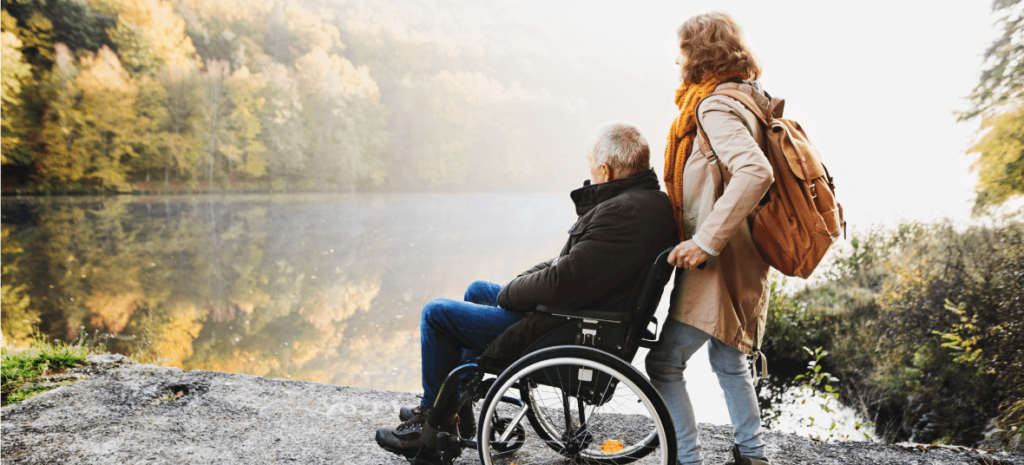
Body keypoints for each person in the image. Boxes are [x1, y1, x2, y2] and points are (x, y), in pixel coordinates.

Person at [375, 121, 677, 456]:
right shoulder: (644, 203)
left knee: (436, 315)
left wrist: (510, 293)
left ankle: (432, 424)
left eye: (592, 167)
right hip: (577, 316)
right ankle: (456, 410)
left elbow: (563, 280)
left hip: (566, 330)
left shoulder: (623, 212)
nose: (590, 174)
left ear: (605, 170)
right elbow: (569, 266)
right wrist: (517, 287)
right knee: (477, 290)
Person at [644, 11, 776, 465]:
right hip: (749, 253)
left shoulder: (714, 105)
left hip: (720, 257)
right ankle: (753, 454)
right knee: (728, 357)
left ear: (696, 53)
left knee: (663, 365)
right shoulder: (751, 96)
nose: (679, 58)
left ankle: (686, 459)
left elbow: (756, 171)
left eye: (683, 49)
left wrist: (705, 242)